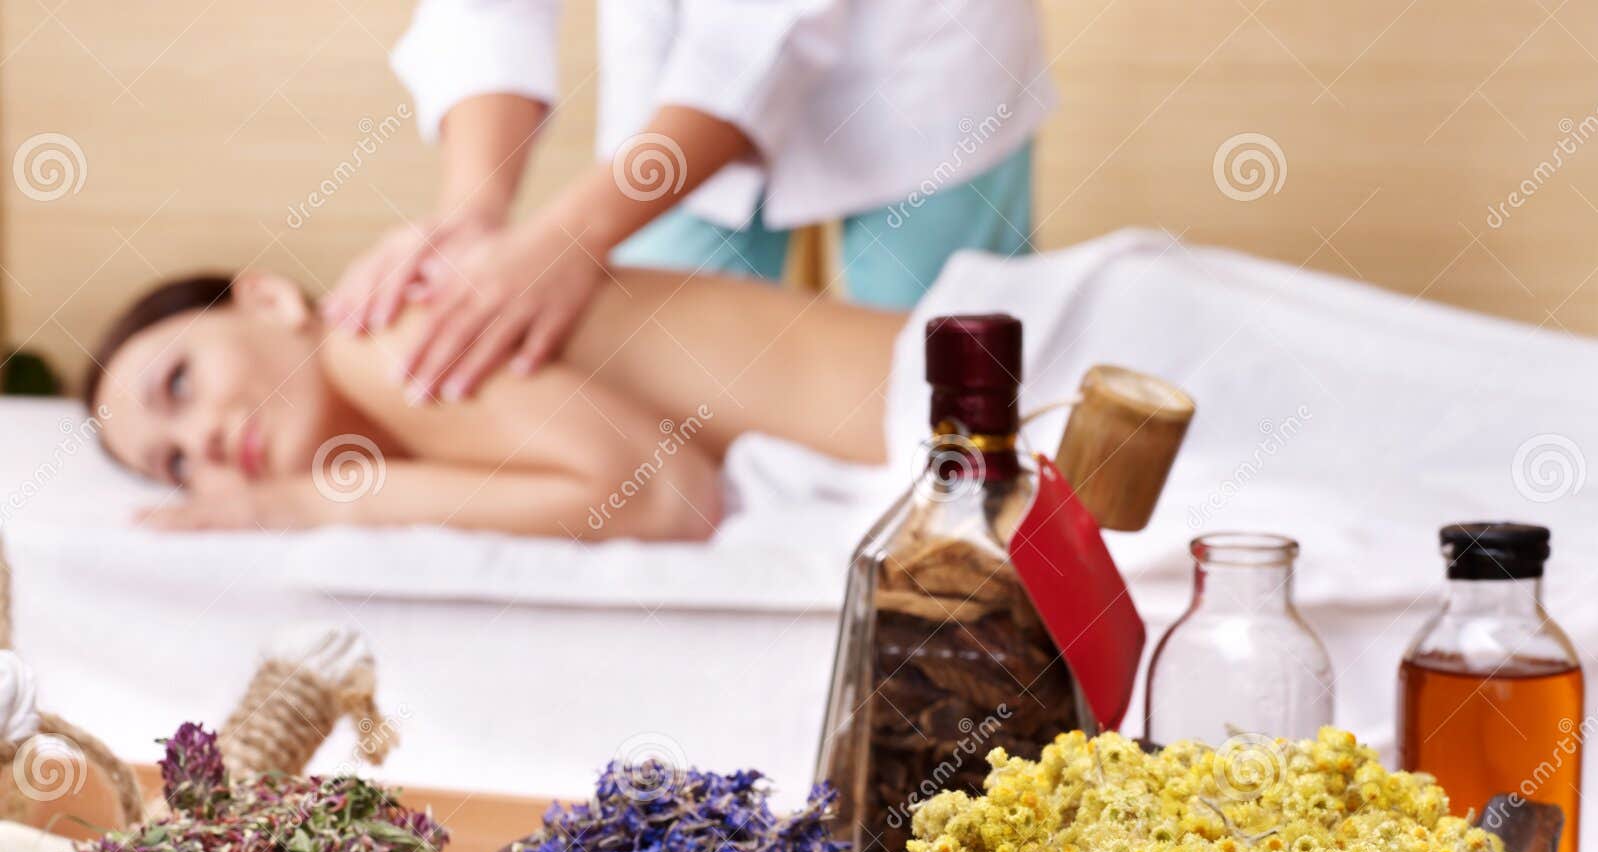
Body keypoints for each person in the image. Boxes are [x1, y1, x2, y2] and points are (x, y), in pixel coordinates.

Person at [324, 0, 1052, 405]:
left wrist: (575, 232)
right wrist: (472, 207)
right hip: (674, 64)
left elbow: (764, 37)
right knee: (664, 395)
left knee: (948, 396)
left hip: (921, 59)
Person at [88, 265, 903, 540]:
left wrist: (302, 501)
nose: (205, 443)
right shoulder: (407, 428)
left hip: (1006, 402)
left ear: (265, 299)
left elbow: (668, 498)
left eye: (181, 382)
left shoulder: (373, 335)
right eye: (175, 463)